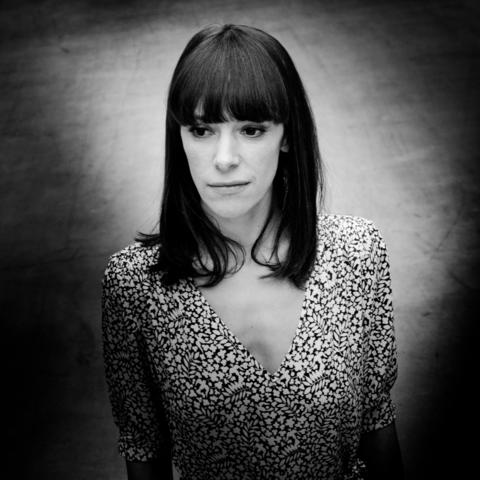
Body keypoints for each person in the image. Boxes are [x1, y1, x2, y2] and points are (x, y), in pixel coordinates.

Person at [102, 24, 404, 480]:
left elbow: (377, 419)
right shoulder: (134, 285)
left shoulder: (357, 253)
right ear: (179, 137)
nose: (224, 158)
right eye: (201, 129)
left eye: (251, 129)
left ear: (287, 135)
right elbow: (143, 447)